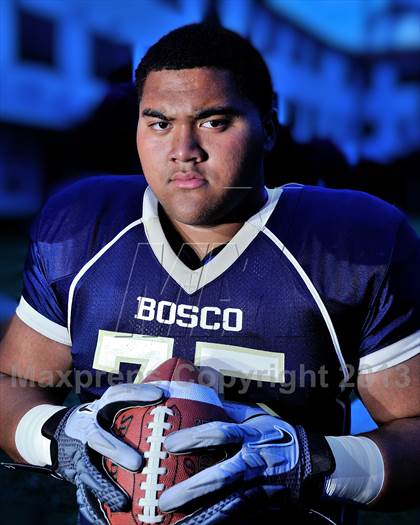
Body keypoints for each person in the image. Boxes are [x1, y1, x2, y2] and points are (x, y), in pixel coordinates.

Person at [0, 23, 419, 525]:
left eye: (214, 122)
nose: (183, 149)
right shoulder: (82, 227)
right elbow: (15, 381)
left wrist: (312, 462)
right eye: (158, 123)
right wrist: (54, 434)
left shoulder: (352, 244)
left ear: (268, 126)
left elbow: (412, 426)